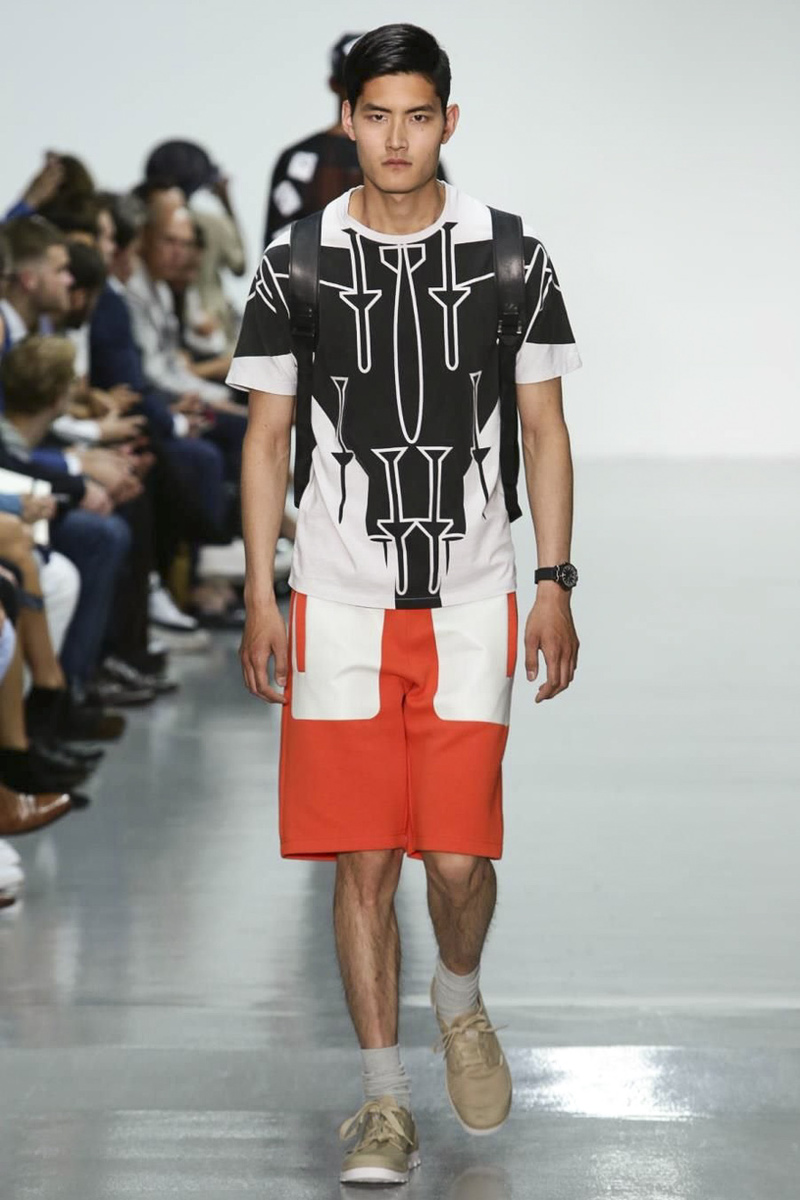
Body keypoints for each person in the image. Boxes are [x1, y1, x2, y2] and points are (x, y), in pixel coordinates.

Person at [234, 23, 582, 1187]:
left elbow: (543, 430)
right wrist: (261, 593)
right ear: (347, 119)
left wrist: (553, 581)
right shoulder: (294, 264)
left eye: (417, 115)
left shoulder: (510, 257)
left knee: (457, 864)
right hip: (334, 601)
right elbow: (266, 438)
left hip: (472, 598)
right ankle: (382, 1100)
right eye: (375, 115)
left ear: (447, 120)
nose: (395, 138)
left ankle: (460, 995)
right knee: (365, 860)